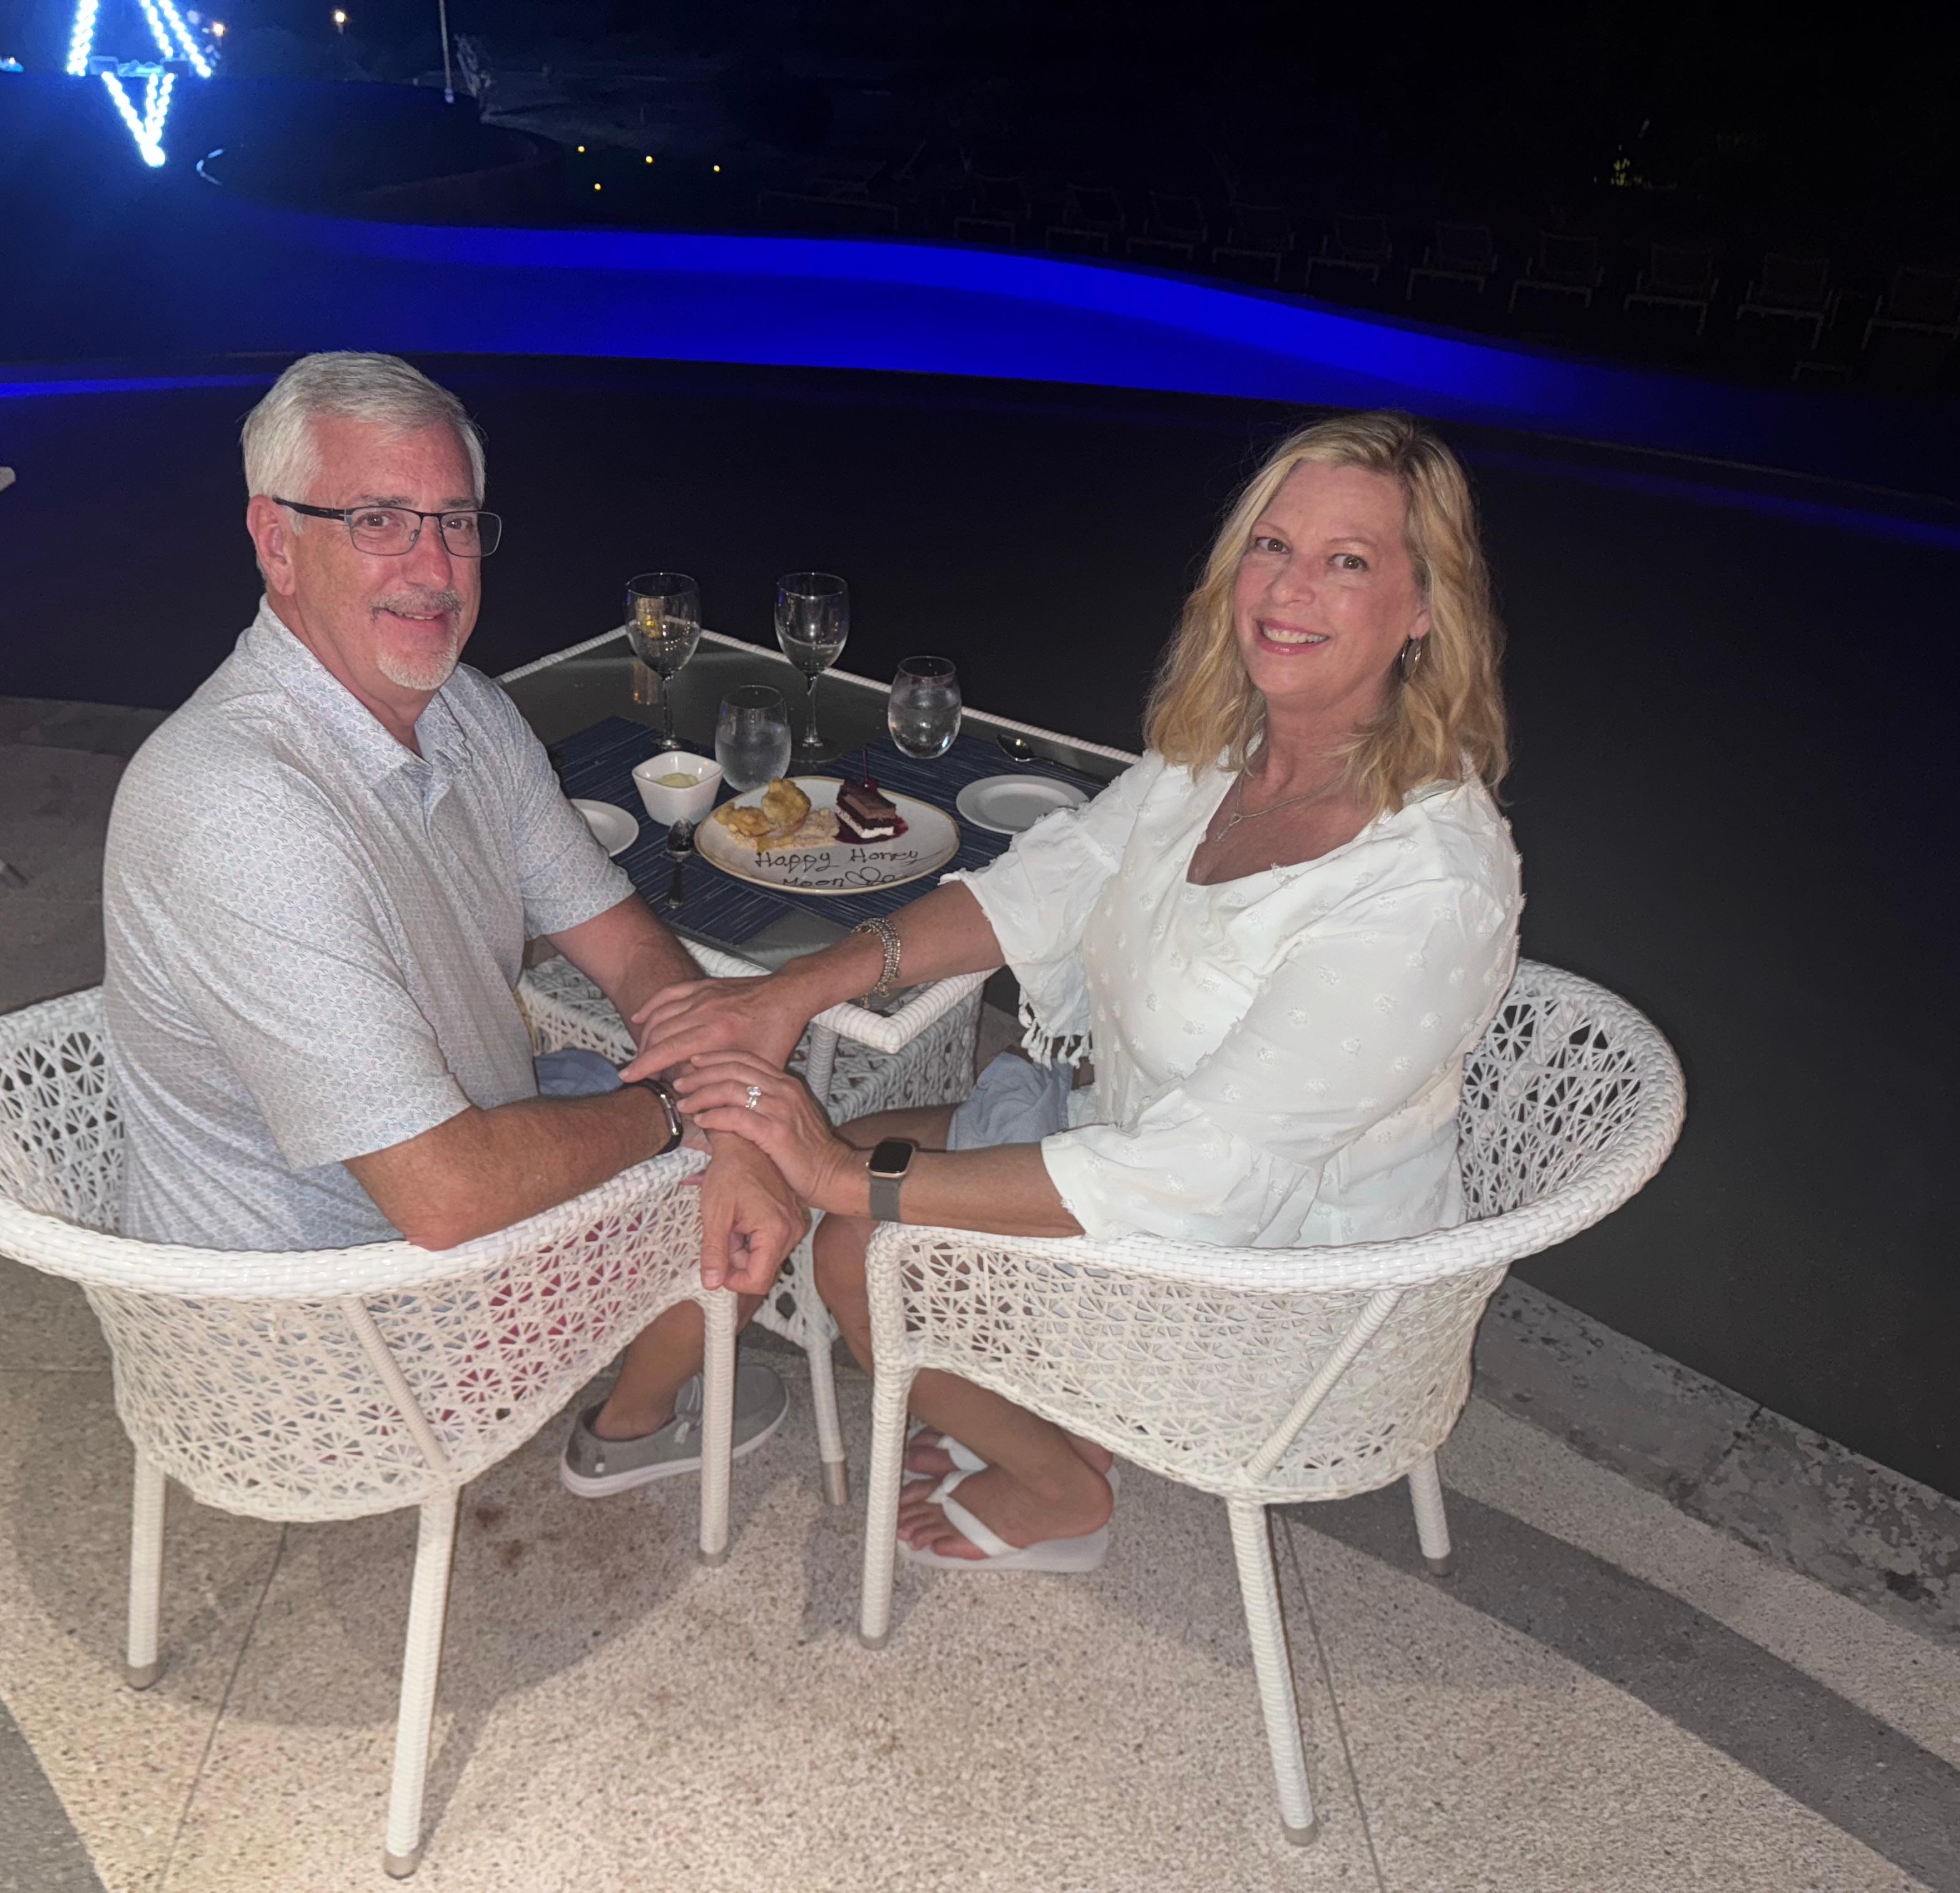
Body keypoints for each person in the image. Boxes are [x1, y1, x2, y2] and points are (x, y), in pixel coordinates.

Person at [627, 410, 1522, 1570]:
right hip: (1136, 1141)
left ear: (1425, 607)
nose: (1289, 589)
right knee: (863, 1150)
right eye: (1272, 545)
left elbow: (1201, 1176)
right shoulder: (1224, 757)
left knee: (855, 1238)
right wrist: (792, 991)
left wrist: (838, 1175)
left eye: (1347, 561)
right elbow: (1046, 887)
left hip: (1277, 1280)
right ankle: (1032, 1412)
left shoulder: (1427, 881)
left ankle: (1059, 1489)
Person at [103, 351, 805, 1499]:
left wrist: (711, 1102)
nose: (434, 569)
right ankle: (632, 1424)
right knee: (787, 1146)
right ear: (277, 542)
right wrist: (696, 1115)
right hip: (332, 1342)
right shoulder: (240, 807)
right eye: (378, 520)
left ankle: (646, 1339)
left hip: (421, 1208)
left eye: (457, 523)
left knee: (740, 1110)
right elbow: (448, 1196)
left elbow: (624, 943)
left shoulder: (462, 716)